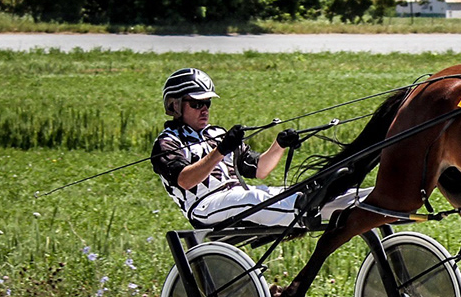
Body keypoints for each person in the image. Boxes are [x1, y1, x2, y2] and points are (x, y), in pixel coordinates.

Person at [152, 67, 367, 231]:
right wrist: (221, 150)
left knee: (290, 193)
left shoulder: (216, 132)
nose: (205, 109)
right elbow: (185, 180)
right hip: (204, 207)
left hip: (237, 196)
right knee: (252, 198)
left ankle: (367, 201)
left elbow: (259, 170)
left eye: (207, 103)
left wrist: (279, 144)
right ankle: (303, 209)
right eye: (197, 103)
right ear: (175, 105)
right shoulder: (167, 142)